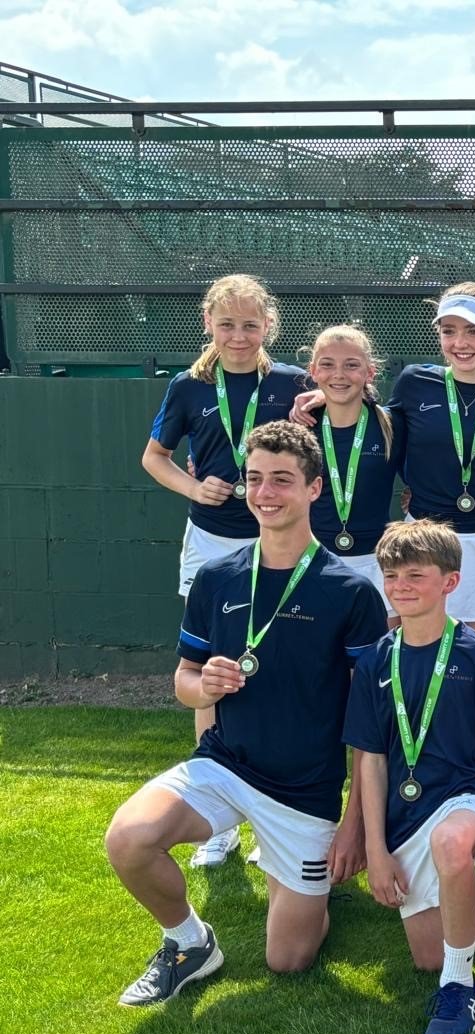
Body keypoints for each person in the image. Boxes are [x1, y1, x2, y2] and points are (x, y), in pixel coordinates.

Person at [106, 421, 388, 1005]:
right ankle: (188, 943)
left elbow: (369, 727)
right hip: (225, 766)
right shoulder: (217, 578)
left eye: (282, 480)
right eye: (255, 479)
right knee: (128, 838)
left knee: (289, 959)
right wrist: (203, 686)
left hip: (304, 790)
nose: (265, 493)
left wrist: (354, 827)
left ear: (314, 489)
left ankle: (302, 883)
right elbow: (184, 682)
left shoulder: (352, 592)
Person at [142, 273, 303, 868]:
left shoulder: (292, 383)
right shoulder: (190, 386)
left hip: (278, 542)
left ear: (269, 327)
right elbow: (154, 457)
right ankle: (217, 821)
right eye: (228, 323)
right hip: (211, 543)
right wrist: (194, 487)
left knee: (276, 668)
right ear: (208, 323)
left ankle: (276, 810)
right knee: (209, 671)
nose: (239, 335)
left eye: (251, 324)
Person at [293, 283, 475, 666]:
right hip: (424, 541)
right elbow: (375, 420)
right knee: (412, 669)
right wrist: (327, 393)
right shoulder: (414, 382)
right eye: (449, 331)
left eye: (473, 331)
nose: (461, 343)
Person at [344, 520, 475, 1034]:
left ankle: (462, 986)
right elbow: (370, 760)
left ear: (450, 581)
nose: (400, 586)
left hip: (469, 800)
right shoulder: (376, 659)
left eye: (414, 575)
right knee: (429, 955)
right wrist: (375, 849)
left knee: (451, 845)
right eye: (391, 575)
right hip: (405, 814)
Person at [304, 325, 402, 614]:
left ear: (370, 372)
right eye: (327, 365)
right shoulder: (300, 427)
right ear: (313, 371)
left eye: (351, 365)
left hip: (379, 563)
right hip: (314, 562)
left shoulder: (393, 426)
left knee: (380, 658)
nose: (339, 374)